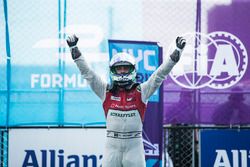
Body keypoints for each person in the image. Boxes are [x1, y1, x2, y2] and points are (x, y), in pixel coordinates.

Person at [66, 35, 186, 167]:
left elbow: (159, 75)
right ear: (113, 70)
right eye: (119, 68)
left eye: (125, 68)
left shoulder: (142, 90)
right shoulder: (105, 90)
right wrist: (75, 51)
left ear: (132, 70)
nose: (122, 71)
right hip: (112, 147)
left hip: (134, 147)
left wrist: (175, 56)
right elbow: (88, 73)